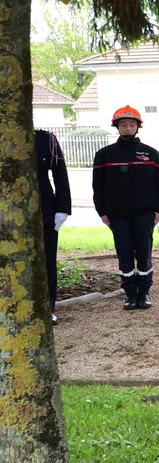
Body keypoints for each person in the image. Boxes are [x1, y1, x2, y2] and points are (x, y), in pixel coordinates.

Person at [92, 105, 159, 310]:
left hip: (144, 213)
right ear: (117, 126)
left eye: (131, 124)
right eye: (123, 124)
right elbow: (98, 186)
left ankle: (144, 292)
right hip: (118, 215)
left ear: (138, 127)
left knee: (144, 253)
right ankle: (129, 294)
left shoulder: (151, 154)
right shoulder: (105, 155)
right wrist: (102, 211)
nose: (127, 128)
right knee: (124, 253)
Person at [35, 129, 71, 325]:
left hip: (45, 208)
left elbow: (59, 173)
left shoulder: (45, 139)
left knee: (47, 260)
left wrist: (62, 208)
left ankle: (46, 308)